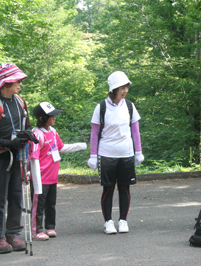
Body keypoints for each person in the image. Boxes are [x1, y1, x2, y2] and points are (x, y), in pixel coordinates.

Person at [88, 71, 144, 235]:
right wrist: (93, 155)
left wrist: (138, 151)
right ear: (113, 88)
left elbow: (135, 131)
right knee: (108, 189)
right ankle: (108, 222)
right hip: (107, 154)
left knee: (125, 188)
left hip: (126, 153)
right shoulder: (101, 107)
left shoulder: (129, 106)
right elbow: (94, 133)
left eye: (126, 86)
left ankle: (123, 220)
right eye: (121, 87)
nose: (125, 90)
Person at [29, 102, 87, 241]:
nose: (55, 118)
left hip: (52, 176)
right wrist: (35, 180)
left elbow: (61, 147)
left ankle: (50, 227)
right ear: (42, 118)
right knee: (39, 205)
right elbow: (34, 158)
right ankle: (37, 230)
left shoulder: (53, 132)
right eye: (51, 116)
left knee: (51, 204)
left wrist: (81, 146)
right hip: (40, 178)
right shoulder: (35, 135)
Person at [0, 63, 30, 253]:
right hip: (2, 156)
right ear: (5, 83)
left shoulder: (19, 101)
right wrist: (6, 143)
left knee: (16, 196)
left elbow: (26, 123)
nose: (20, 83)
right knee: (0, 198)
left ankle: (13, 234)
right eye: (17, 80)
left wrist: (28, 134)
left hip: (17, 156)